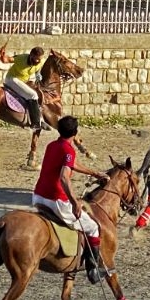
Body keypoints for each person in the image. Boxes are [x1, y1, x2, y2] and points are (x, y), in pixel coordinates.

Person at [31, 115, 110, 284]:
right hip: (56, 200)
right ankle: (93, 270)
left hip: (38, 197)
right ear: (75, 132)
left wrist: (94, 173)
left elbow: (72, 164)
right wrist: (74, 202)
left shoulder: (53, 145)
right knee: (93, 227)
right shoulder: (69, 150)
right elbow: (64, 177)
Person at [0, 44, 49, 132]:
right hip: (12, 79)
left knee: (38, 93)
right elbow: (6, 60)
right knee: (33, 95)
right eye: (36, 58)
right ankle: (35, 123)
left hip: (25, 81)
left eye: (39, 59)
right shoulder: (21, 58)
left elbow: (37, 70)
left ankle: (40, 119)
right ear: (31, 55)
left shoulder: (40, 61)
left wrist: (38, 75)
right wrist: (2, 55)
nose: (37, 60)